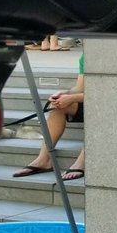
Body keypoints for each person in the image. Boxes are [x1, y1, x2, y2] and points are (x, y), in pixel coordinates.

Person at [13, 52, 86, 181]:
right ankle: (44, 159)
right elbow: (79, 88)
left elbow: (105, 94)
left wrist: (72, 98)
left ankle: (82, 162)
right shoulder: (84, 56)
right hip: (88, 100)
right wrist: (64, 94)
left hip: (109, 106)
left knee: (98, 114)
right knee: (57, 107)